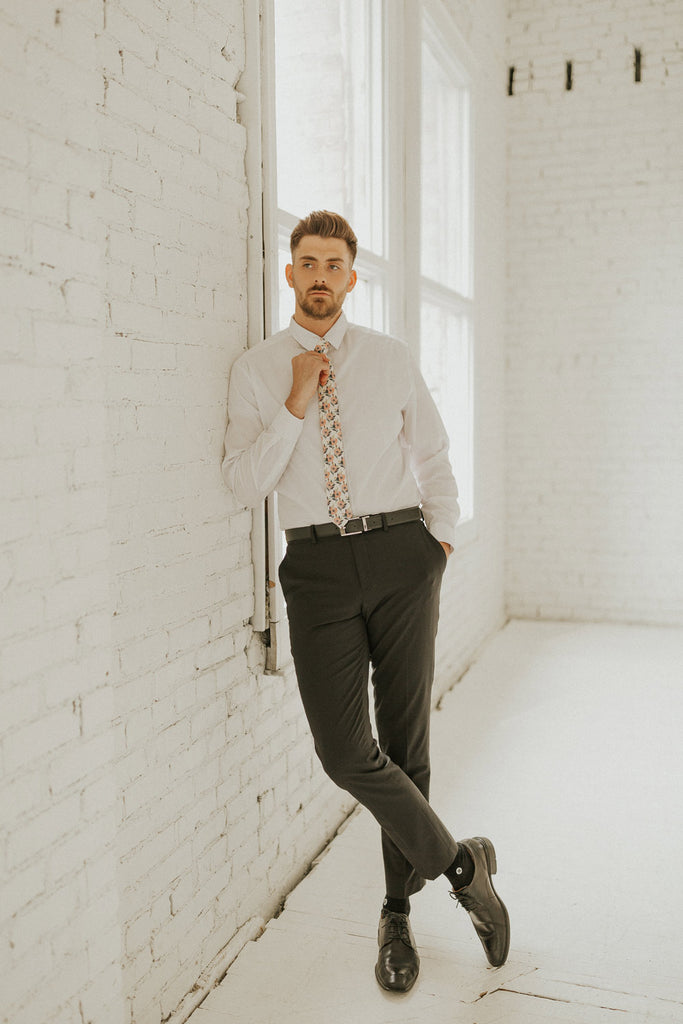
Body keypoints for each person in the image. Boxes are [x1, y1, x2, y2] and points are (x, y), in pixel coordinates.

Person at [222, 210, 509, 992]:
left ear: (351, 277)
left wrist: (436, 544)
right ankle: (462, 867)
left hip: (400, 554)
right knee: (347, 752)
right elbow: (242, 483)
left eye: (333, 265)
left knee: (407, 742)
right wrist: (293, 403)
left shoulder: (387, 358)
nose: (319, 277)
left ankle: (395, 915)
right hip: (314, 567)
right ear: (289, 273)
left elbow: (433, 452)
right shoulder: (256, 369)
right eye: (307, 263)